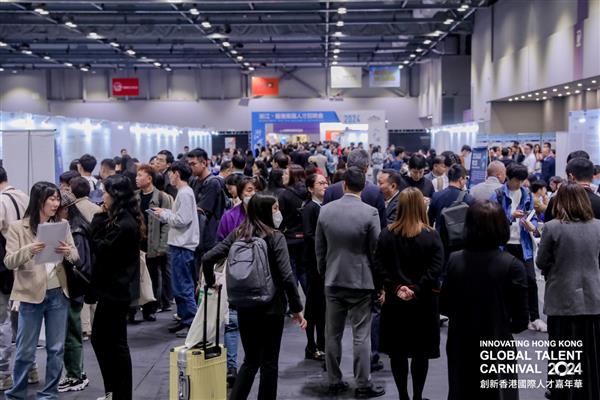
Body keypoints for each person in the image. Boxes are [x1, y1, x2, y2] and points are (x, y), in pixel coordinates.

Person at [202, 194, 306, 400]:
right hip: (272, 306)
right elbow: (287, 276)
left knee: (250, 361)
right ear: (266, 211)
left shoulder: (238, 234)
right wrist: (297, 308)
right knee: (269, 363)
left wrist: (211, 281)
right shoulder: (276, 237)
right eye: (275, 208)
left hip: (244, 306)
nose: (278, 212)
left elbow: (207, 258)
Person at [440, 200, 529, 400]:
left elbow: (444, 305)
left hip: (461, 343)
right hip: (497, 343)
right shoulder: (513, 266)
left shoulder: (454, 260)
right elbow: (521, 321)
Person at [4, 182, 79, 400]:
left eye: (57, 199)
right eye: (52, 199)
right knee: (25, 350)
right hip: (30, 294)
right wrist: (30, 249)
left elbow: (76, 257)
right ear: (39, 200)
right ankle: (16, 394)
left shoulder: (62, 225)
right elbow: (9, 261)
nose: (56, 204)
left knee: (56, 348)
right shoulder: (18, 227)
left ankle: (48, 394)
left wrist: (67, 251)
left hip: (58, 293)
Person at [316, 167, 385, 398]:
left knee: (332, 334)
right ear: (363, 187)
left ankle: (334, 381)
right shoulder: (370, 213)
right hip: (361, 281)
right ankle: (363, 384)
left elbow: (320, 249)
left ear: (344, 185)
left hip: (333, 279)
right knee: (361, 335)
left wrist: (325, 273)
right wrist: (379, 283)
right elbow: (376, 251)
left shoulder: (325, 211)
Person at [375, 187, 443, 400]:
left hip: (395, 303)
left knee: (398, 353)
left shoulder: (387, 234)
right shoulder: (431, 235)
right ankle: (417, 397)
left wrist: (396, 287)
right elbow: (436, 268)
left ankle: (403, 396)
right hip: (424, 303)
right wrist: (416, 289)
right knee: (421, 354)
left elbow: (379, 266)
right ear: (422, 206)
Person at [536, 183, 600, 400]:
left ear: (560, 201)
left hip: (562, 297)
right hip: (592, 297)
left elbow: (541, 261)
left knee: (562, 350)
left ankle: (563, 392)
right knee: (590, 350)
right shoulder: (598, 226)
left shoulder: (552, 227)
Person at [89, 174, 142, 400]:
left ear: (115, 196)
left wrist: (97, 220)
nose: (103, 196)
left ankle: (119, 392)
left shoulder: (123, 224)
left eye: (106, 192)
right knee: (106, 340)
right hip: (115, 289)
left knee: (112, 343)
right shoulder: (123, 219)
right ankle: (114, 391)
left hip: (116, 290)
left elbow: (101, 249)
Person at [490, 163, 545, 332]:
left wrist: (531, 225)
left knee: (531, 280)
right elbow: (493, 219)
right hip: (504, 244)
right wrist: (510, 216)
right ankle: (504, 316)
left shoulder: (526, 194)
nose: (519, 184)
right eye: (516, 180)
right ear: (508, 178)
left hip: (523, 244)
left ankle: (535, 317)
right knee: (504, 281)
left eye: (522, 180)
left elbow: (532, 215)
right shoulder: (498, 194)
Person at [215, 176, 257, 385]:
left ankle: (252, 361)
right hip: (234, 276)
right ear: (240, 193)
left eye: (256, 190)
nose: (252, 194)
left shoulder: (266, 215)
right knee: (232, 322)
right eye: (248, 190)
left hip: (259, 278)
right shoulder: (230, 216)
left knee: (254, 324)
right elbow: (220, 245)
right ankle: (231, 366)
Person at [152, 161, 199, 336]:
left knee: (184, 287)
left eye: (171, 173)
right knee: (179, 287)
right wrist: (164, 213)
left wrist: (164, 214)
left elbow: (182, 220)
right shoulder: (184, 192)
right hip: (180, 244)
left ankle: (192, 325)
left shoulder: (185, 193)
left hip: (182, 246)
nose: (169, 177)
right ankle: (184, 318)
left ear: (177, 174)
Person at [56, 190, 91, 393]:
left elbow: (79, 263)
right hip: (74, 288)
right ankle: (76, 372)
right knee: (72, 333)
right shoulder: (78, 226)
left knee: (71, 334)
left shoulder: (75, 230)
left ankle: (75, 375)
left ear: (65, 209)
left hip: (72, 288)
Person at [0, 168, 29, 391]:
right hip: (26, 264)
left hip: (5, 266)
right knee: (23, 320)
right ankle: (30, 368)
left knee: (3, 321)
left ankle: (3, 373)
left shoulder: (1, 201)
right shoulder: (24, 196)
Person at [135, 165, 172, 322]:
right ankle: (135, 308)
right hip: (138, 243)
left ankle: (151, 309)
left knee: (153, 278)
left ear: (149, 179)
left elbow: (167, 224)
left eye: (140, 175)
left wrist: (163, 246)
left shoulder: (162, 198)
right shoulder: (134, 197)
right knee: (137, 277)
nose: (136, 178)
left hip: (154, 244)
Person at [302, 173, 329, 362]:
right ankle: (312, 345)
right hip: (313, 265)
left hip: (322, 263)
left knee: (322, 307)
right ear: (311, 188)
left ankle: (320, 344)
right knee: (313, 307)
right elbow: (309, 234)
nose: (324, 186)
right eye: (320, 183)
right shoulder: (310, 208)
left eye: (325, 182)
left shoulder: (323, 207)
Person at [323, 149, 386, 228]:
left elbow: (323, 222)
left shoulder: (330, 191)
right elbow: (381, 225)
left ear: (346, 166)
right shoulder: (376, 192)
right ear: (367, 168)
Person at [188, 148, 227, 273]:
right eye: (189, 164)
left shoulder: (212, 183)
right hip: (197, 236)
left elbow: (202, 209)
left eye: (193, 164)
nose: (191, 167)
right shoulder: (194, 181)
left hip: (209, 237)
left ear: (204, 163)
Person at [278, 164, 308, 294]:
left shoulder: (284, 195)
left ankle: (294, 302)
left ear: (293, 177)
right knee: (304, 272)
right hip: (306, 238)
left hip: (289, 238)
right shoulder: (308, 193)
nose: (283, 176)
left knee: (291, 272)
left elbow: (280, 219)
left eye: (286, 174)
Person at [427, 164, 473, 231]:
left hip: (440, 236)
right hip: (460, 236)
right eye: (466, 178)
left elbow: (429, 221)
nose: (466, 181)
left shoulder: (436, 196)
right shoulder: (468, 199)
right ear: (461, 179)